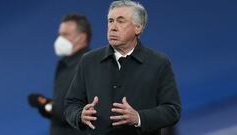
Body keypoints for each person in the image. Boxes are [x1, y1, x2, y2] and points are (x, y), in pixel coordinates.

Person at [64, 1, 181, 135]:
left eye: (121, 21)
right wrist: (80, 116)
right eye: (110, 21)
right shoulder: (88, 61)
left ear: (138, 28)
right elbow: (71, 105)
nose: (113, 27)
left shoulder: (158, 63)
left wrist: (138, 117)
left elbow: (172, 110)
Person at [28, 13, 91, 135]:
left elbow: (81, 111)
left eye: (66, 35)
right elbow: (63, 105)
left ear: (82, 38)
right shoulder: (63, 64)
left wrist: (46, 105)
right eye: (60, 34)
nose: (60, 39)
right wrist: (45, 105)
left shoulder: (90, 64)